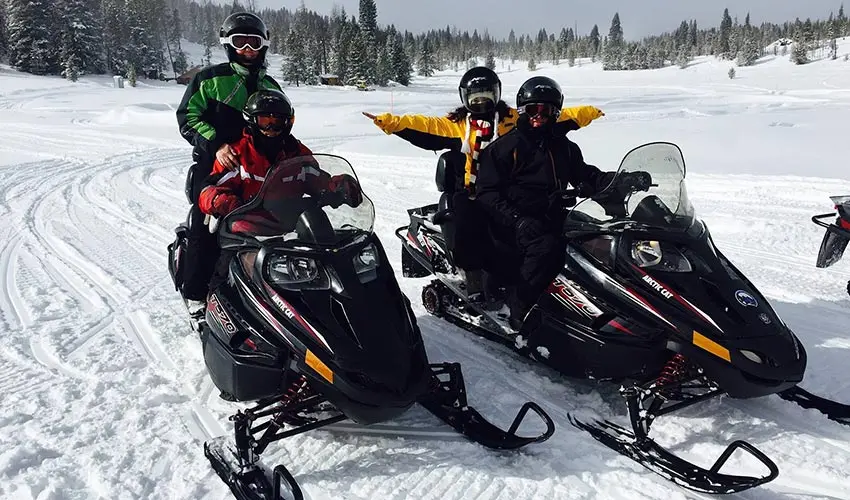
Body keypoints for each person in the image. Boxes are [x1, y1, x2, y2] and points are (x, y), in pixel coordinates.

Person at [362, 67, 605, 299]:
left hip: (507, 188)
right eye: (475, 98)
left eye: (487, 96)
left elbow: (556, 117)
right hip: (473, 190)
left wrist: (587, 113)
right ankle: (473, 275)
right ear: (465, 98)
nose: (481, 103)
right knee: (466, 217)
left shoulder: (511, 119)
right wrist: (391, 122)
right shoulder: (458, 125)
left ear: (497, 94)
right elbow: (424, 127)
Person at [475, 76, 650, 330]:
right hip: (512, 221)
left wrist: (623, 180)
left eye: (546, 111)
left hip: (552, 214)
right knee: (546, 248)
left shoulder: (564, 147)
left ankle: (600, 302)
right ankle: (518, 308)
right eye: (533, 110)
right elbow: (487, 193)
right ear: (522, 110)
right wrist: (517, 219)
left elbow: (588, 175)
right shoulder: (504, 148)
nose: (539, 117)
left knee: (597, 240)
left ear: (555, 113)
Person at [198, 89, 362, 292]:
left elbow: (317, 179)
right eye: (265, 121)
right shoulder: (238, 153)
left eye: (277, 121)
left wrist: (339, 187)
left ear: (288, 123)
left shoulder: (297, 153)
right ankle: (215, 300)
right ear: (251, 120)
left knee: (327, 254)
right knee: (229, 271)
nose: (271, 128)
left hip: (289, 226)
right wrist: (221, 200)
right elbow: (209, 189)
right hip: (248, 228)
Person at [175, 11, 281, 317]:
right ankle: (196, 295)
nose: (247, 49)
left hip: (258, 171)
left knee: (281, 224)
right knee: (206, 225)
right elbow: (188, 118)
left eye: (254, 42)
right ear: (228, 45)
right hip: (214, 167)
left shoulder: (271, 85)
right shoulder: (210, 79)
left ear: (263, 45)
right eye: (240, 42)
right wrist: (217, 145)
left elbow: (282, 126)